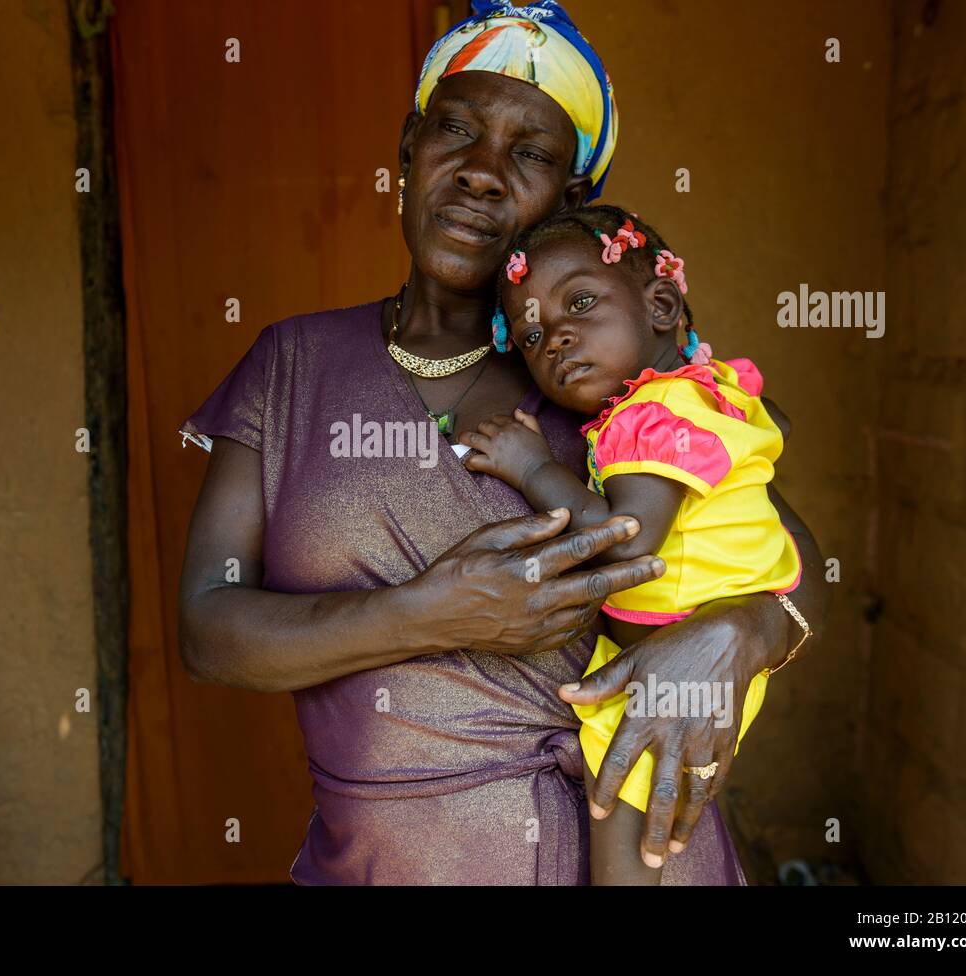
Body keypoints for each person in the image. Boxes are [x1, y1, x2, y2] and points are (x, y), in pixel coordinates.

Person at [177, 0, 828, 883]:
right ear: (407, 151)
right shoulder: (291, 367)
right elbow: (210, 628)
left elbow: (793, 563)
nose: (483, 173)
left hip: (626, 848)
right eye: (457, 131)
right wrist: (425, 612)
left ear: (568, 201)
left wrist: (738, 636)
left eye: (528, 154)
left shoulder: (605, 378)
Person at [459, 203, 809, 883]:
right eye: (530, 337)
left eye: (580, 302)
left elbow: (625, 544)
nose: (554, 339)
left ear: (662, 305)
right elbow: (780, 425)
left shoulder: (653, 416)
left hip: (680, 667)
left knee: (620, 826)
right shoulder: (700, 394)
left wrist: (532, 468)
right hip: (690, 645)